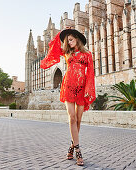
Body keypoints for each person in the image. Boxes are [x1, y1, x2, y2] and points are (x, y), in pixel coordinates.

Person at [40, 27, 96, 166]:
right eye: (67, 40)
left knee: (78, 120)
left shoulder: (87, 54)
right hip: (68, 86)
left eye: (70, 39)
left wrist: (89, 88)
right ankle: (78, 150)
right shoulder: (66, 52)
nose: (69, 42)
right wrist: (63, 32)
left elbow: (90, 73)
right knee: (71, 118)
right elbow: (53, 45)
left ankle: (71, 146)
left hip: (82, 88)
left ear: (77, 39)